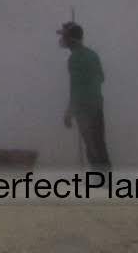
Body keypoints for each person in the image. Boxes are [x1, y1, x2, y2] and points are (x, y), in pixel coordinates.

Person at [58, 20, 110, 168]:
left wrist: (69, 112)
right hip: (97, 105)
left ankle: (102, 186)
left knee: (93, 149)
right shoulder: (92, 55)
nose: (62, 40)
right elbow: (101, 78)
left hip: (84, 109)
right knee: (99, 145)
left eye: (64, 36)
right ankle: (106, 184)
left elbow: (76, 88)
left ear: (70, 38)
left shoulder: (74, 59)